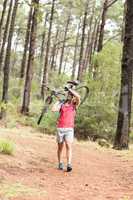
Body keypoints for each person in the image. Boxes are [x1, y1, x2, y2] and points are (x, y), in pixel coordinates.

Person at [51, 88, 80, 172]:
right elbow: (53, 109)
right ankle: (60, 163)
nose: (70, 97)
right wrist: (58, 101)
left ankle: (69, 164)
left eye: (71, 96)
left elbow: (78, 96)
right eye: (69, 95)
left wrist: (70, 89)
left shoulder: (74, 105)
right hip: (60, 128)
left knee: (68, 146)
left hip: (69, 129)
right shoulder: (62, 104)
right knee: (60, 147)